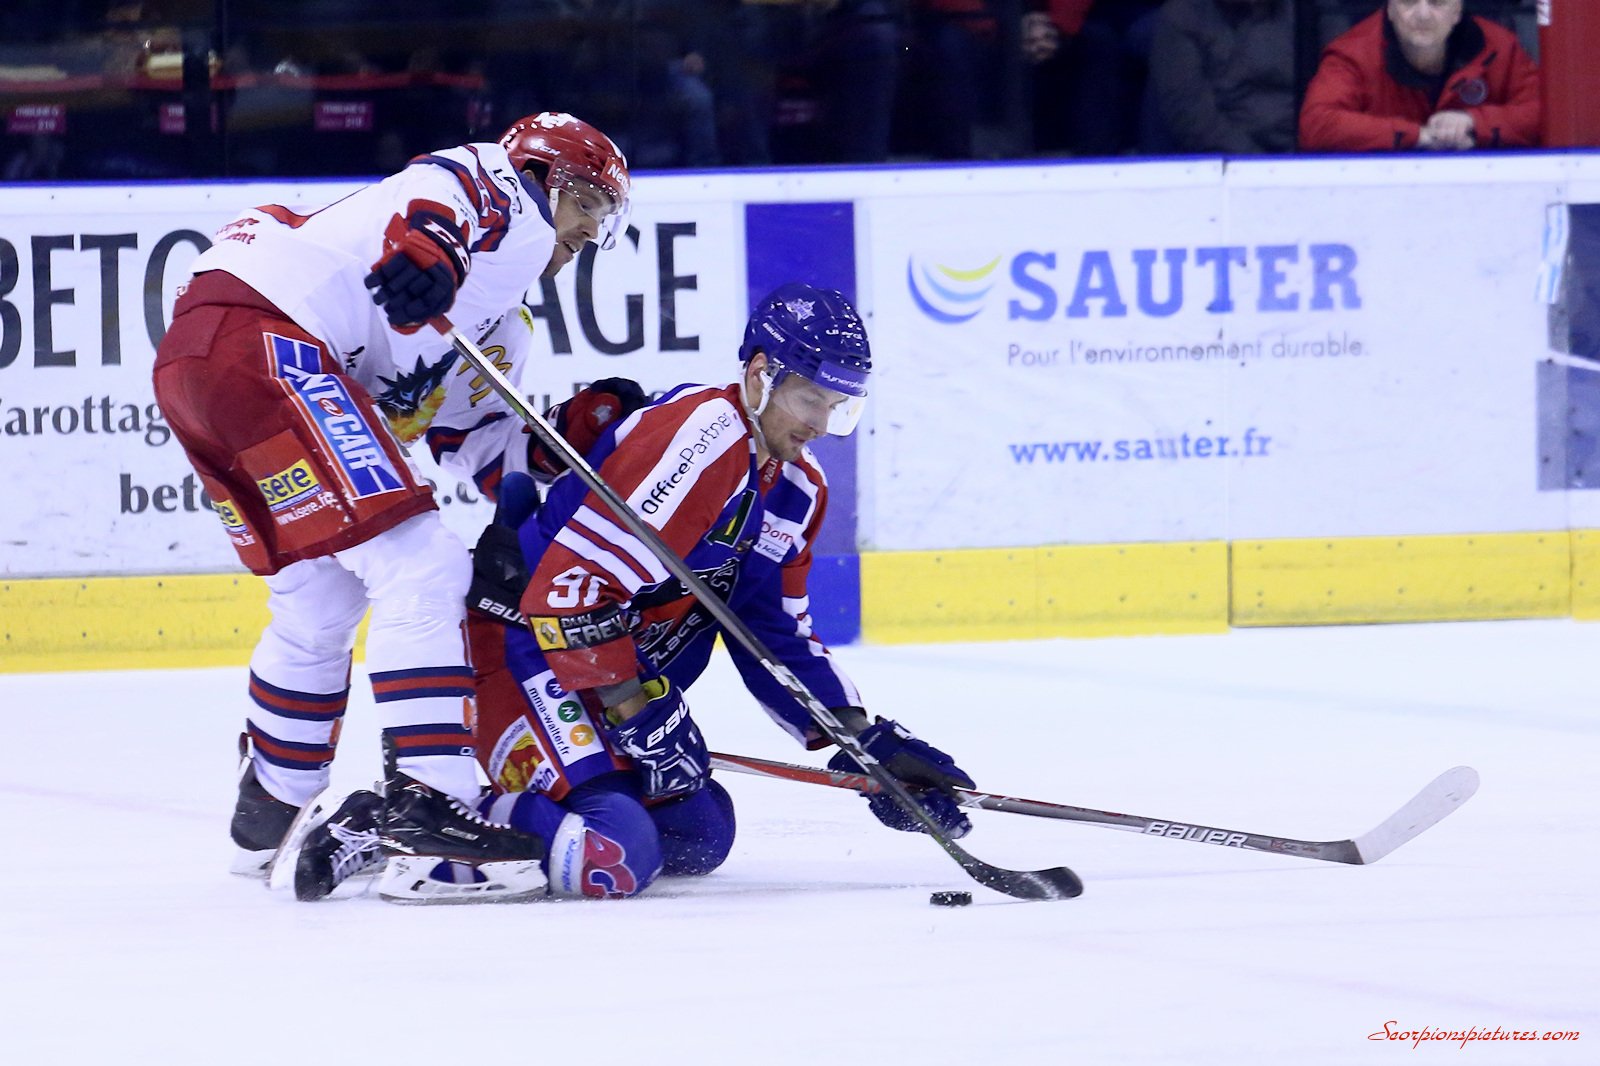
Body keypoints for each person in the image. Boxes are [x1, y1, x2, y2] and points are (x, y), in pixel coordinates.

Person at [288, 284, 977, 900]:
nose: (821, 423)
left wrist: (865, 744)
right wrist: (638, 713)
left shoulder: (797, 488)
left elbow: (775, 634)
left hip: (594, 671)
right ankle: (401, 820)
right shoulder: (702, 438)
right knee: (614, 854)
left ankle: (509, 794)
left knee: (699, 835)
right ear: (760, 374)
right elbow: (569, 591)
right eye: (808, 398)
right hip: (519, 648)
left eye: (836, 404)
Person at [151, 111, 633, 904]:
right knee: (422, 563)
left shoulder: (501, 323)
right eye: (585, 202)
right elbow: (446, 187)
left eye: (602, 215)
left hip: (206, 371)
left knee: (319, 598)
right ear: (542, 179)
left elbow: (476, 449)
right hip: (266, 336)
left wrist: (566, 441)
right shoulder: (503, 197)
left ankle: (270, 808)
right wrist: (432, 247)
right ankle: (430, 806)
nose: (587, 229)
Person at [1298, 0, 1540, 153]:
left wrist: (1473, 124)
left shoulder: (1500, 47)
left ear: (1457, 11)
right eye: (1409, 1)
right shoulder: (1353, 53)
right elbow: (1317, 125)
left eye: (1437, 2)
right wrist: (1419, 136)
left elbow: (1545, 112)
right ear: (1390, 9)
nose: (1423, 14)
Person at [1145, 0, 1296, 155]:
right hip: (1227, 157)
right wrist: (1257, 162)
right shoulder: (1181, 15)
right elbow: (1191, 114)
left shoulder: (1302, 8)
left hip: (1302, 149)